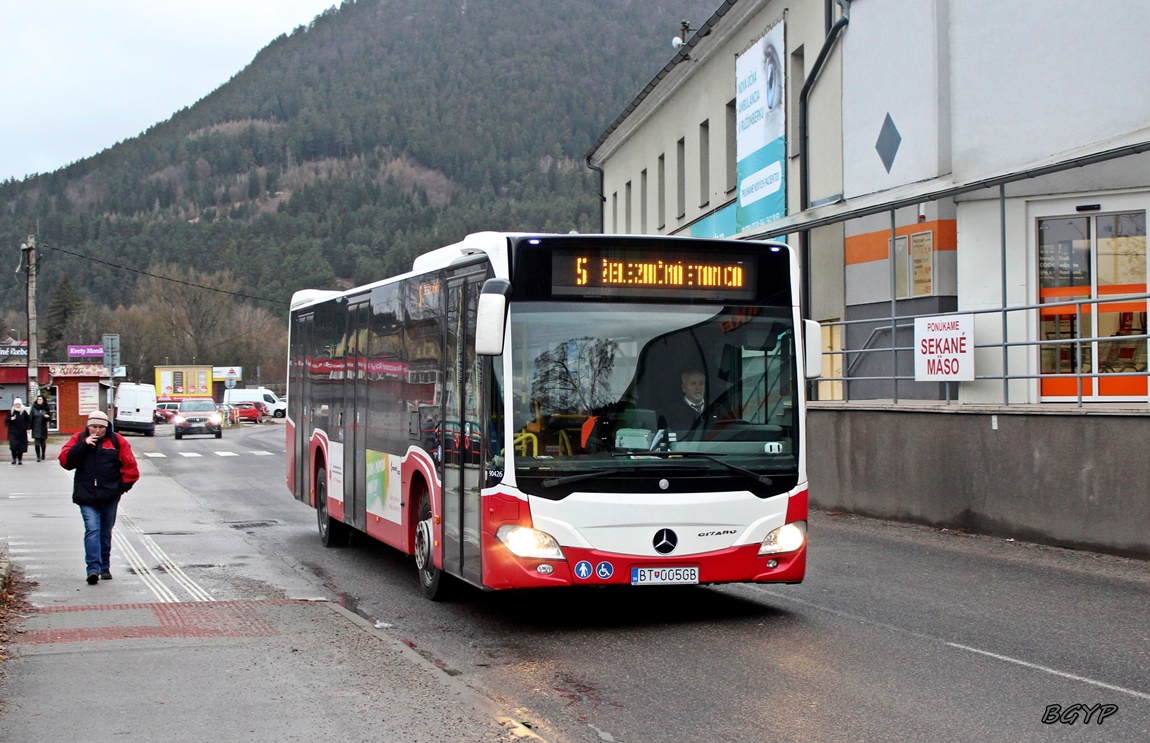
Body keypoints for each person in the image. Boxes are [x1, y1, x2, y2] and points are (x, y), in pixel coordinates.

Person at [59, 410, 139, 585]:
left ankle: (104, 566)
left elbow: (131, 467)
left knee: (105, 532)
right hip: (86, 495)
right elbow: (66, 462)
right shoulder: (78, 439)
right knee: (92, 529)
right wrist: (83, 445)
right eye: (93, 427)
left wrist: (120, 488)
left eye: (100, 427)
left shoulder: (117, 441)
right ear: (88, 427)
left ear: (106, 427)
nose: (96, 431)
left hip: (109, 495)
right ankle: (93, 569)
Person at [6, 397, 31, 465]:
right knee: (13, 446)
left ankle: (20, 459)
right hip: (13, 432)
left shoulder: (23, 412)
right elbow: (6, 420)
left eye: (18, 404)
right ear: (14, 405)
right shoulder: (11, 411)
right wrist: (11, 419)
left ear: (21, 404)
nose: (17, 405)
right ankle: (14, 458)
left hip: (21, 432)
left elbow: (28, 421)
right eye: (16, 404)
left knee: (21, 446)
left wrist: (27, 428)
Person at [29, 395, 51, 461]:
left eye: (40, 399)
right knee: (37, 443)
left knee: (43, 443)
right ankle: (38, 456)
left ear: (43, 400)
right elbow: (31, 417)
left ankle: (43, 454)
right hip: (35, 427)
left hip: (43, 428)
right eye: (38, 399)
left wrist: (47, 417)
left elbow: (50, 418)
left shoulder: (46, 408)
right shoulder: (34, 408)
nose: (39, 401)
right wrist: (29, 427)